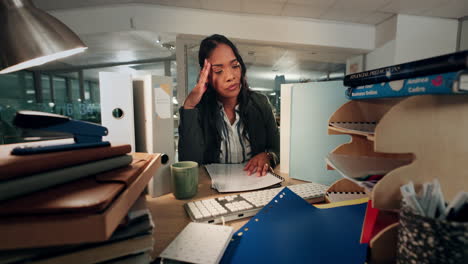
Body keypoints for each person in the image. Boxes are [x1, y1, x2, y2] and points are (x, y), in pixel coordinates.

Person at [178, 34, 279, 176]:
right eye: (219, 71)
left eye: (235, 65)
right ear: (206, 76)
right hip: (213, 191)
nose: (231, 76)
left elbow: (278, 148)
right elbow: (188, 165)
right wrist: (189, 106)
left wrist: (268, 156)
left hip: (257, 186)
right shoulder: (198, 110)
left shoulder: (260, 103)